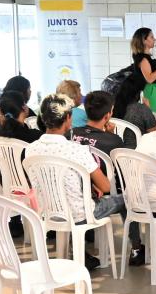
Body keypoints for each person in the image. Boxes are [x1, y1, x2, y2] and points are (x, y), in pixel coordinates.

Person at [25, 94, 142, 269]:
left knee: (69, 197)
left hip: (46, 211)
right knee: (125, 200)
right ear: (67, 118)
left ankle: (78, 251)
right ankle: (137, 249)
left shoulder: (30, 149)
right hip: (79, 214)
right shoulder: (77, 150)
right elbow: (106, 186)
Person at [121, 27, 156, 112]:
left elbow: (152, 68)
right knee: (153, 116)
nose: (154, 39)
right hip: (150, 90)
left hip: (155, 89)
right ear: (144, 41)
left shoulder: (148, 56)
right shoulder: (143, 59)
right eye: (151, 37)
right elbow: (150, 79)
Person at [71, 91, 124, 156]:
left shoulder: (70, 133)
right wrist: (110, 135)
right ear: (107, 115)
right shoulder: (115, 141)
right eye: (112, 110)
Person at [112, 75, 156, 147]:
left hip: (118, 151)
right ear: (140, 94)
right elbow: (155, 133)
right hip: (138, 153)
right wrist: (149, 110)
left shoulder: (112, 105)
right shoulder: (142, 109)